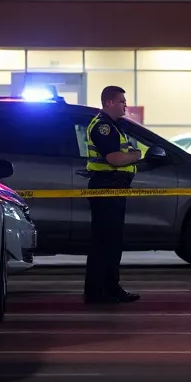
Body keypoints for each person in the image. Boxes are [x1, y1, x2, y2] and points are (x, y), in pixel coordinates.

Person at [83, 85, 142, 305]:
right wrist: (136, 155)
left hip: (113, 187)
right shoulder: (103, 127)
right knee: (106, 242)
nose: (125, 105)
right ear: (109, 102)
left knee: (110, 241)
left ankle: (107, 288)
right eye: (121, 101)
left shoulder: (113, 126)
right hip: (107, 187)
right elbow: (114, 159)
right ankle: (102, 291)